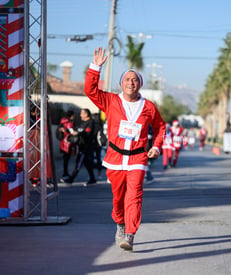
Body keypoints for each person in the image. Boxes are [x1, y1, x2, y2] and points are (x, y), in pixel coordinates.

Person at [85, 47, 165, 251]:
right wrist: (95, 67)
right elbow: (90, 90)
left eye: (135, 79)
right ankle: (120, 224)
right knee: (118, 198)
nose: (131, 82)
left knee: (134, 195)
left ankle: (129, 234)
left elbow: (160, 126)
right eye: (127, 79)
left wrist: (156, 146)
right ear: (121, 83)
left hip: (138, 158)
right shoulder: (110, 100)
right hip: (114, 158)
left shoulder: (148, 106)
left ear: (140, 84)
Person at [65, 108, 97, 186]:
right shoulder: (82, 123)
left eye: (82, 113)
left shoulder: (91, 123)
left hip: (86, 147)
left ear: (86, 114)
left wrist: (78, 133)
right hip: (81, 145)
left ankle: (71, 179)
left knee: (79, 162)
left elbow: (87, 133)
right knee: (86, 163)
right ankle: (92, 179)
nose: (80, 115)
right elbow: (77, 130)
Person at [59, 110, 76, 182]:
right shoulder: (69, 123)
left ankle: (65, 173)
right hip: (68, 143)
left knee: (65, 159)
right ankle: (65, 173)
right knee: (66, 159)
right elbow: (72, 132)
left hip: (63, 143)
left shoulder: (62, 122)